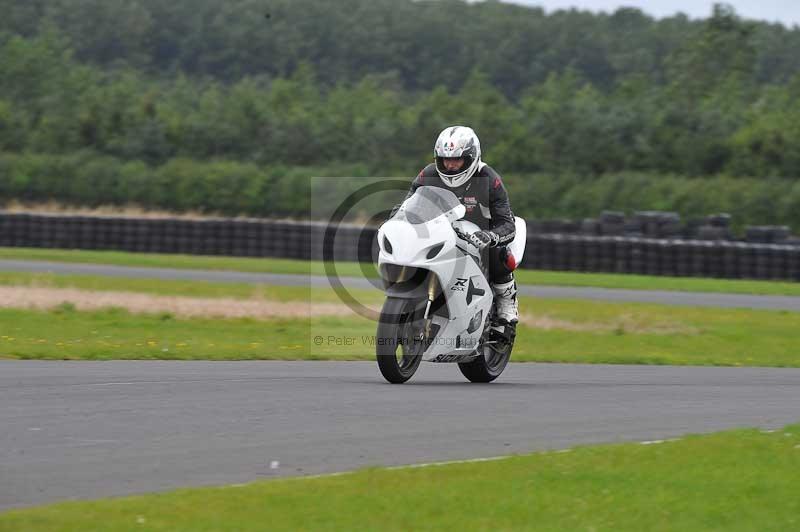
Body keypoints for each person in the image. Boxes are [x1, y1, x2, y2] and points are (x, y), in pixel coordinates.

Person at [401, 125, 519, 324]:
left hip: (480, 234)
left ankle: (506, 299)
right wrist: (396, 219)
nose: (450, 166)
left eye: (457, 159)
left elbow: (508, 224)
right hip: (442, 230)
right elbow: (408, 204)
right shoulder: (429, 173)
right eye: (445, 159)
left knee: (499, 253)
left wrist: (491, 236)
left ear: (472, 157)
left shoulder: (488, 178)